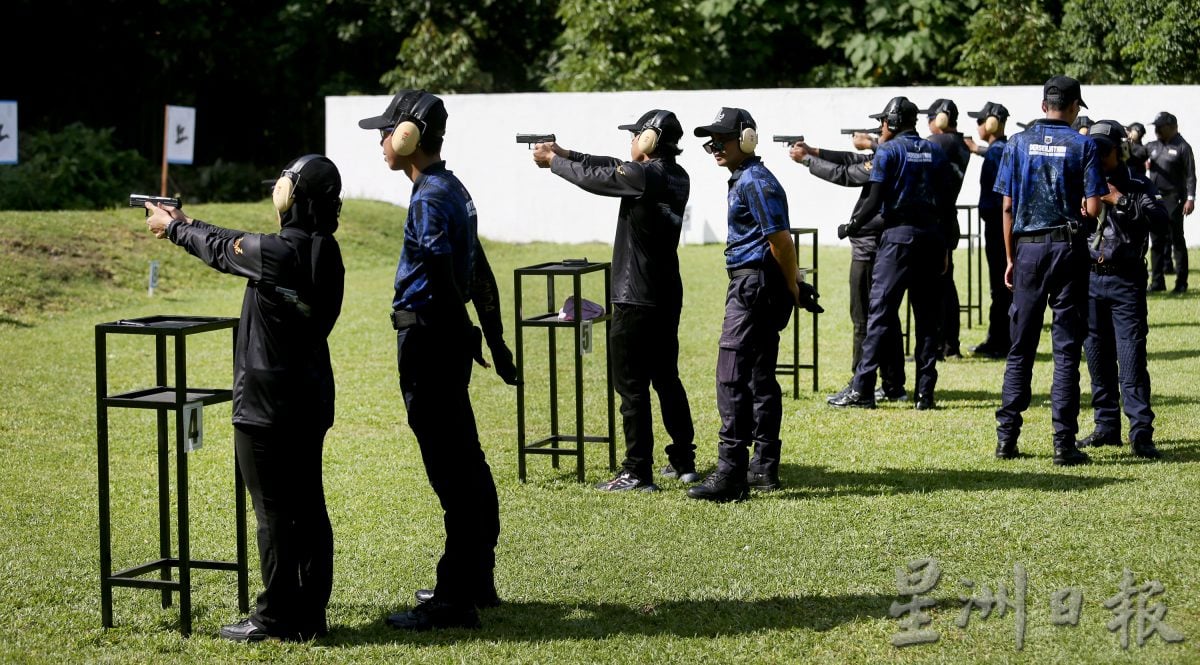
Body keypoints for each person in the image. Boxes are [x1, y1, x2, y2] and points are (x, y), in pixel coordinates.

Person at [144, 154, 345, 642]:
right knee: (307, 505)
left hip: (266, 405)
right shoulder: (324, 251)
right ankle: (309, 613)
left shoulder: (278, 253)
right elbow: (230, 241)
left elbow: (221, 250)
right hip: (309, 397)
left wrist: (173, 230)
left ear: (291, 197)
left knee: (273, 512)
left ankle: (275, 618)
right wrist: (185, 222)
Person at [359, 89, 503, 631]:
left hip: (429, 342)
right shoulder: (452, 189)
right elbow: (479, 272)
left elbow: (447, 279)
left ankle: (454, 598)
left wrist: (463, 332)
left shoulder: (428, 198)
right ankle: (474, 579)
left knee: (452, 471)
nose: (380, 141)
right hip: (444, 340)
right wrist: (493, 338)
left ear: (408, 135)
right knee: (466, 461)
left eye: (386, 131)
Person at [529, 109, 697, 491]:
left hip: (634, 296)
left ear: (650, 140)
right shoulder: (674, 175)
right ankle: (684, 461)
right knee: (666, 379)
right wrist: (566, 153)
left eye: (636, 135)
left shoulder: (643, 176)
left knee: (632, 387)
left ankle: (637, 471)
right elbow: (611, 166)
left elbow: (600, 178)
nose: (631, 141)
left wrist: (554, 162)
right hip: (665, 294)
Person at [992, 76, 1105, 465]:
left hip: (1027, 251)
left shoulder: (1017, 143)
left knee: (1020, 346)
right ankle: (1063, 443)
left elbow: (1006, 208)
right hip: (1068, 249)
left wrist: (1010, 258)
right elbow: (1092, 208)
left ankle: (1007, 439)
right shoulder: (1083, 144)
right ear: (1075, 107)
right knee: (1066, 349)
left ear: (1043, 106)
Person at [689, 106, 799, 501]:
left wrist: (793, 286)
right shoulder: (747, 178)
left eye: (722, 138)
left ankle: (731, 472)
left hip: (752, 285)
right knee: (758, 375)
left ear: (747, 139)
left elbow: (781, 240)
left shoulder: (755, 180)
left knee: (730, 374)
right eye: (712, 139)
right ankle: (763, 468)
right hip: (755, 283)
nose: (715, 145)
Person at [827, 96, 956, 412]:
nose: (880, 126)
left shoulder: (888, 151)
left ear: (892, 123)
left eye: (883, 121)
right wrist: (946, 245)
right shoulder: (933, 150)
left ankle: (863, 390)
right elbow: (946, 202)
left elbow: (874, 199)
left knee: (880, 314)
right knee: (926, 320)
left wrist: (852, 225)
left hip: (898, 238)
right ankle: (925, 394)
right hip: (931, 238)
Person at [788, 137, 907, 404]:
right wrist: (815, 150)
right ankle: (893, 384)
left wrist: (806, 160)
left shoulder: (885, 157)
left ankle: (861, 384)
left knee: (863, 316)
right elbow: (851, 160)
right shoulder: (899, 154)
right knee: (886, 315)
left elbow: (847, 174)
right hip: (883, 242)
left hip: (869, 244)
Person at [1078, 120, 1165, 460]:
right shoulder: (1083, 181)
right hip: (1090, 279)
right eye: (1093, 150)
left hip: (1126, 281)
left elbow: (1160, 220)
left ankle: (1141, 432)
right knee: (1097, 359)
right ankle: (1106, 427)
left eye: (1104, 150)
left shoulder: (1138, 183)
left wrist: (1119, 200)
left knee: (1130, 360)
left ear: (1120, 150)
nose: (1097, 156)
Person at [922, 99, 972, 360]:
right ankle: (949, 343)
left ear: (939, 119)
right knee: (945, 284)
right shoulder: (959, 143)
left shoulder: (939, 143)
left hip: (937, 222)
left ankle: (941, 344)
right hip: (947, 220)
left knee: (936, 287)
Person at [964, 101, 1012, 359]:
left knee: (999, 286)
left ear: (991, 123)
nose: (979, 125)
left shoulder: (996, 152)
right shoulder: (1000, 149)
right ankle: (998, 339)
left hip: (996, 225)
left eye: (981, 120)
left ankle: (999, 342)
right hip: (998, 224)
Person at [1145, 111, 1196, 293]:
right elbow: (1135, 155)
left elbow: (1191, 175)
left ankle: (1181, 282)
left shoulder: (1183, 147)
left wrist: (1190, 199)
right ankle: (1157, 281)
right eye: (1156, 126)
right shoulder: (1152, 146)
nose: (1157, 130)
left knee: (1177, 240)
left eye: (1161, 126)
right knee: (1157, 241)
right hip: (1155, 198)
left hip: (1174, 198)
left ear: (1172, 127)